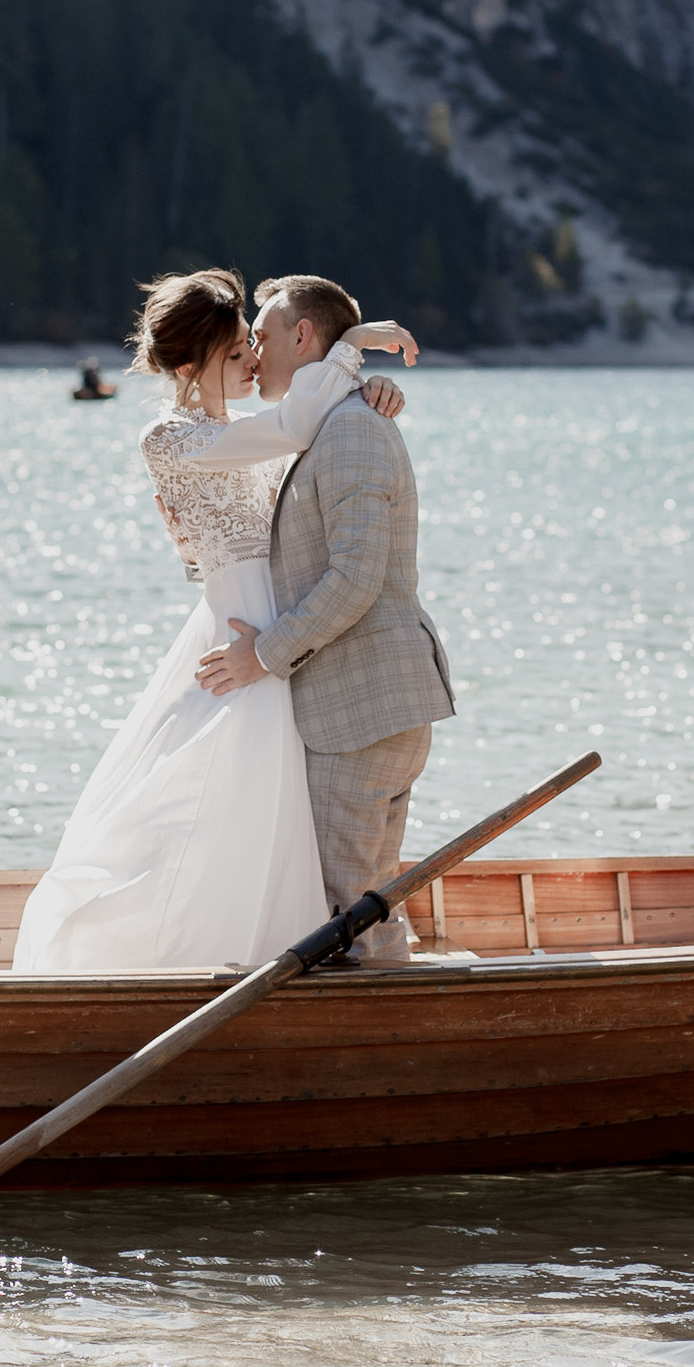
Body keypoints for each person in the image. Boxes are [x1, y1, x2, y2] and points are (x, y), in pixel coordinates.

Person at [12, 270, 419, 972]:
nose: (254, 361)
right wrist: (350, 346)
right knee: (223, 796)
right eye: (237, 353)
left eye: (251, 348)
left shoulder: (245, 431)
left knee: (275, 808)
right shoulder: (168, 437)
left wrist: (369, 389)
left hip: (282, 634)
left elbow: (316, 437)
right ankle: (205, 951)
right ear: (189, 364)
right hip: (244, 634)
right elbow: (295, 425)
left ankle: (284, 951)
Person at [194, 275, 455, 965]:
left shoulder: (351, 432)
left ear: (303, 336)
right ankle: (391, 1030)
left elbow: (356, 578)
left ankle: (377, 1049)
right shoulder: (336, 422)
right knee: (366, 904)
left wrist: (264, 655)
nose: (255, 349)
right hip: (365, 703)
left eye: (265, 335)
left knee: (346, 913)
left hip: (360, 710)